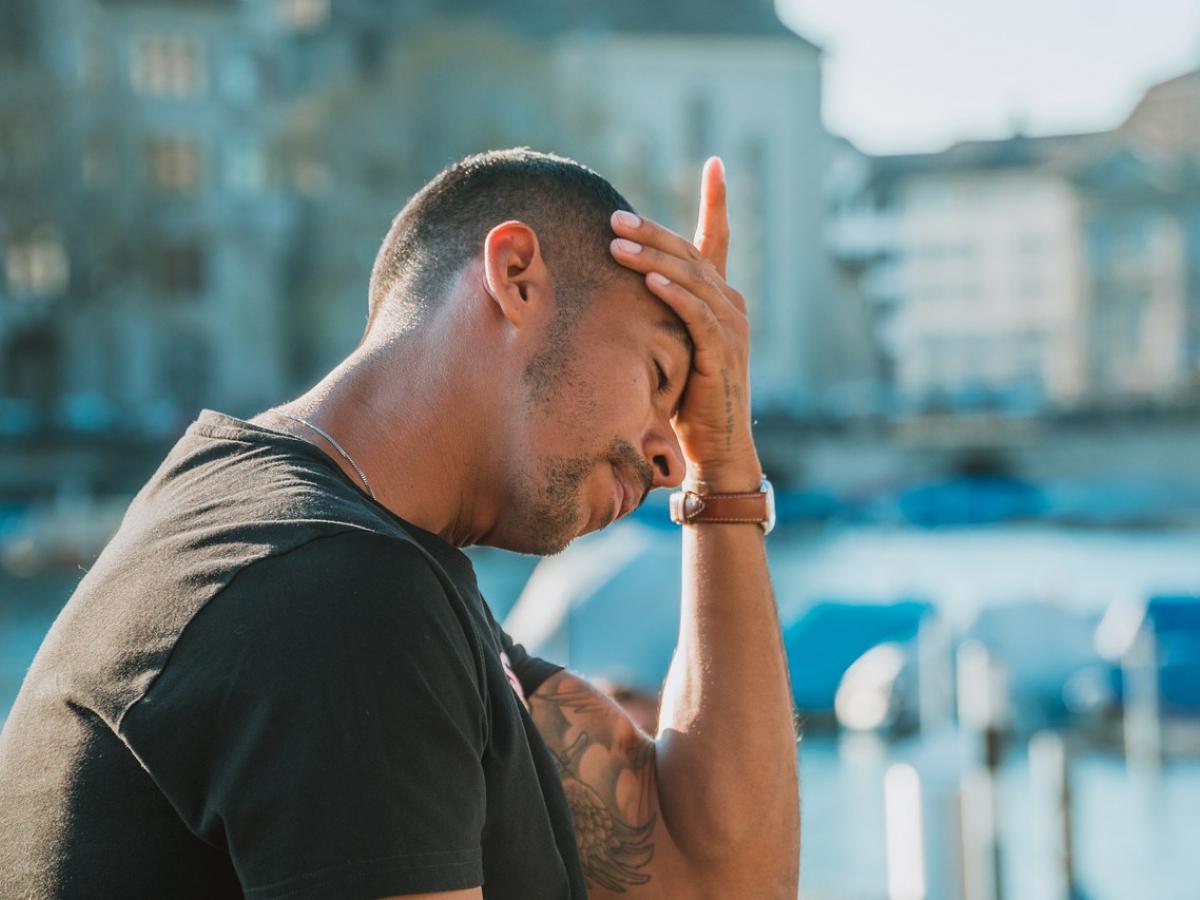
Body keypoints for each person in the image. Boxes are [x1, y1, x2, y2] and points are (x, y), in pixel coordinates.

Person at [0, 149, 799, 899]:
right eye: (660, 377)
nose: (671, 455)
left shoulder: (325, 553)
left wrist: (724, 464)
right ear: (516, 275)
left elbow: (711, 875)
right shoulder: (331, 590)